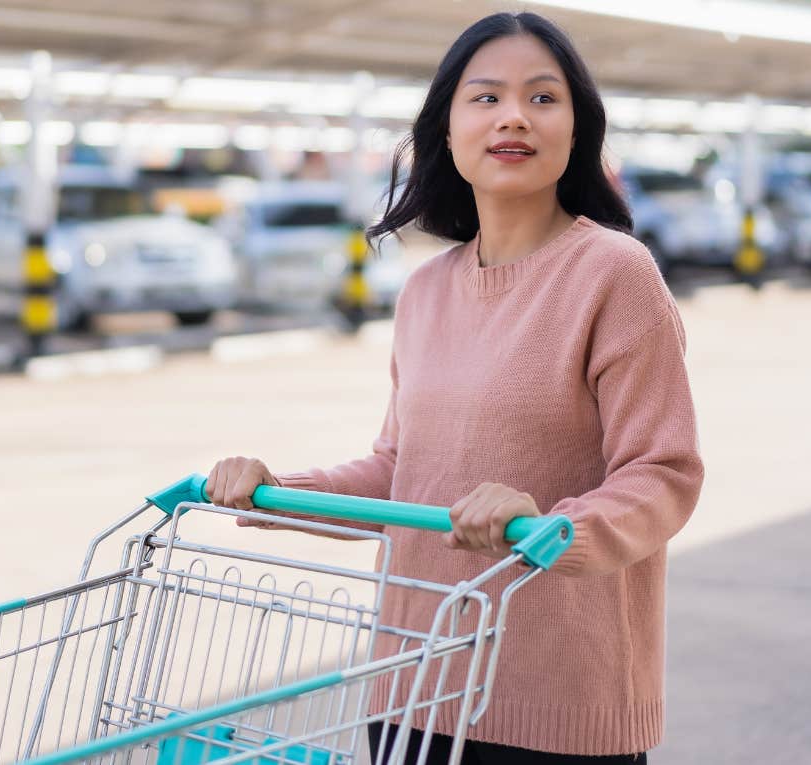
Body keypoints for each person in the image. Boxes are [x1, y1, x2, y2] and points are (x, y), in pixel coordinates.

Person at [206, 11, 703, 764]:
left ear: (577, 130)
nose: (514, 117)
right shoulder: (425, 292)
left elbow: (664, 474)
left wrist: (552, 525)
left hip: (557, 708)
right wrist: (280, 491)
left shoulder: (615, 274)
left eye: (543, 98)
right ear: (446, 129)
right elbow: (400, 469)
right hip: (414, 690)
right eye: (486, 98)